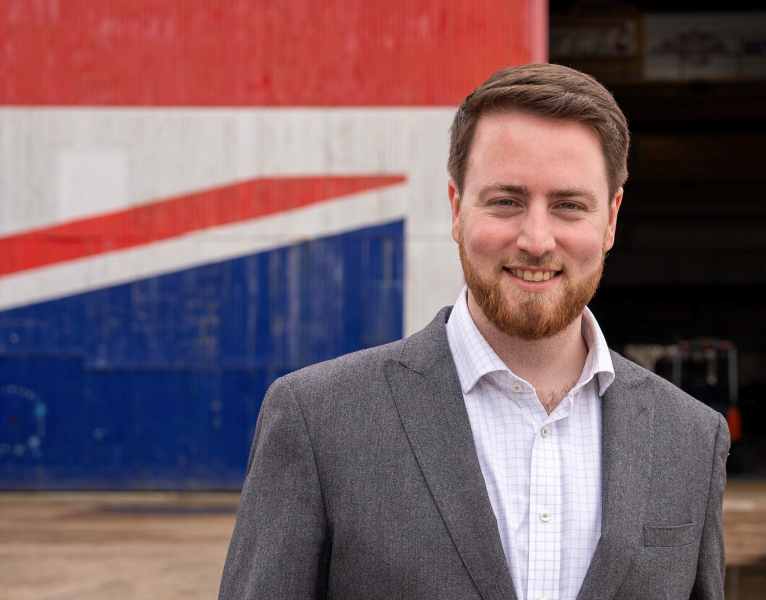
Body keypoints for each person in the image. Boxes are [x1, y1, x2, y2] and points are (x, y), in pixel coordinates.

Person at [218, 63, 729, 600]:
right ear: (458, 209)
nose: (536, 239)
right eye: (506, 201)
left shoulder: (691, 438)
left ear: (611, 220)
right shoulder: (317, 420)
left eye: (569, 206)